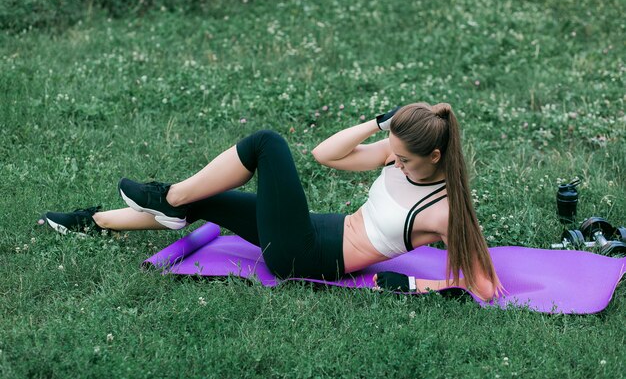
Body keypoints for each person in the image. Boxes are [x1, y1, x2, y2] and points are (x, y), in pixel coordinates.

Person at [41, 102, 503, 301]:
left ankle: (169, 197)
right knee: (208, 200)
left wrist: (421, 288)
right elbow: (326, 155)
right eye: (394, 154)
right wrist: (382, 123)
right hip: (318, 228)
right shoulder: (398, 150)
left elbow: (485, 287)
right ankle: (95, 221)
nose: (394, 164)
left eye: (403, 159)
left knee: (267, 143)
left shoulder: (444, 210)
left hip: (310, 255)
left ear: (435, 157)